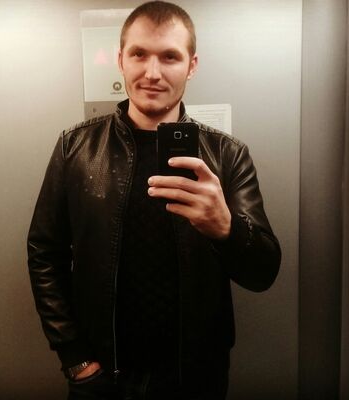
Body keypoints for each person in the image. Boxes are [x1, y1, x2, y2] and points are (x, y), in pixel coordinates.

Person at [27, 1, 281, 399]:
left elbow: (263, 273)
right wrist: (74, 357)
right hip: (101, 376)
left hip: (195, 377)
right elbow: (45, 253)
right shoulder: (75, 147)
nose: (152, 72)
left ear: (192, 66)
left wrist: (226, 229)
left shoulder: (227, 155)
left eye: (169, 57)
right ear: (120, 60)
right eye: (139, 54)